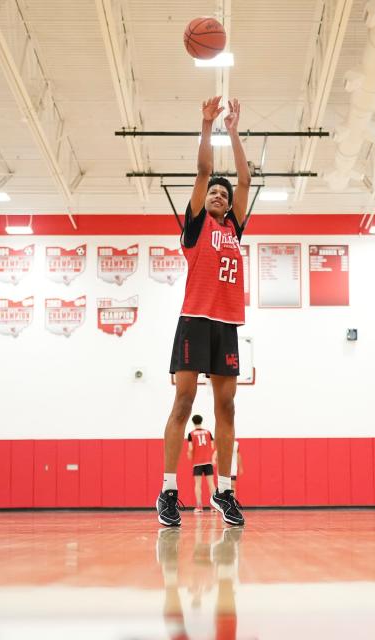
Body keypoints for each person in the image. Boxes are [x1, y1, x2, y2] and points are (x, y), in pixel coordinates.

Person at [156, 96, 250, 528]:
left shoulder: (233, 227)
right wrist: (208, 124)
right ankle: (168, 491)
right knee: (184, 400)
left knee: (227, 409)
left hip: (227, 325)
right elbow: (203, 171)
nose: (217, 193)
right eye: (213, 191)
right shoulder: (197, 227)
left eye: (222, 194)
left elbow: (245, 180)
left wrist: (234, 129)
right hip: (195, 320)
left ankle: (225, 491)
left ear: (229, 206)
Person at [187, 415, 215, 513]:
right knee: (211, 484)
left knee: (198, 484)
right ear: (201, 421)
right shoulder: (208, 433)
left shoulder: (191, 434)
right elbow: (212, 446)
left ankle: (199, 506)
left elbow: (190, 449)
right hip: (208, 461)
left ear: (193, 422)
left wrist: (189, 454)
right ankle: (214, 506)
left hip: (197, 463)